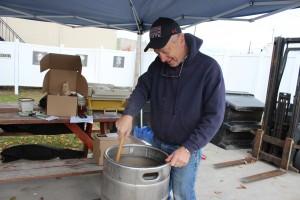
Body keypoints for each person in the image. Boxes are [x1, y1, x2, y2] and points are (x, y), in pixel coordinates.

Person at [116, 17, 225, 200]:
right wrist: (128, 114)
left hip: (185, 147)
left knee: (182, 194)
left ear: (180, 40)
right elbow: (143, 88)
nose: (162, 58)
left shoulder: (208, 69)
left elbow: (214, 116)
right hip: (158, 143)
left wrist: (188, 148)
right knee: (159, 192)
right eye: (158, 52)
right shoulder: (158, 66)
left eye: (165, 51)